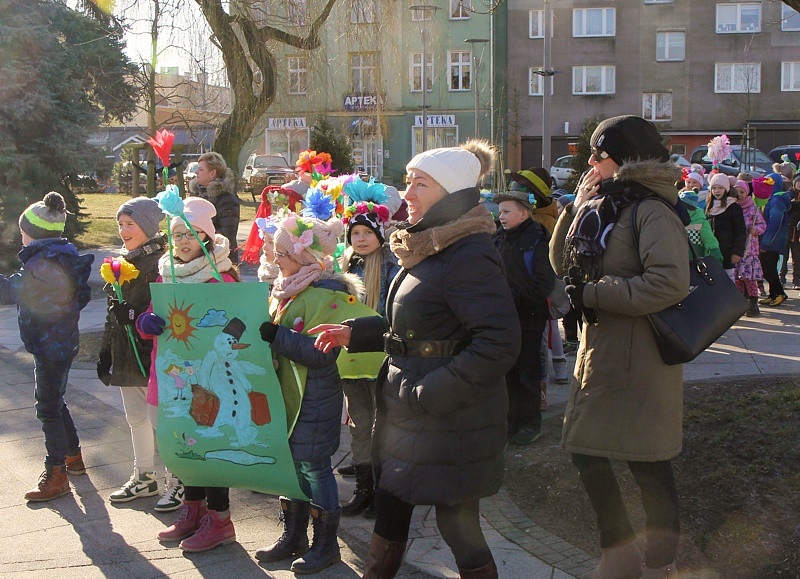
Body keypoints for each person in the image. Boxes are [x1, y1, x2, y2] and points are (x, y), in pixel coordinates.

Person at [310, 139, 521, 578]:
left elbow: (499, 342)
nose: (406, 193)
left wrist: (431, 394)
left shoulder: (468, 252)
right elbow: (413, 325)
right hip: (409, 409)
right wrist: (357, 332)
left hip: (449, 417)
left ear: (451, 193)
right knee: (390, 508)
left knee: (456, 523)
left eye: (418, 183)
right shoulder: (429, 244)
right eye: (407, 181)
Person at [549, 115, 690, 578]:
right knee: (586, 452)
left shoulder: (651, 209)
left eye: (599, 155)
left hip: (642, 358)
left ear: (625, 159)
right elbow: (563, 263)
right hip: (600, 354)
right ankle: (618, 552)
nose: (589, 163)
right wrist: (576, 208)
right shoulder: (603, 204)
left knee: (648, 465)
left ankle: (659, 565)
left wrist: (592, 294)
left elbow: (669, 283)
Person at [255, 215, 361, 574]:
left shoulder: (326, 294)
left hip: (313, 399)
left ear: (303, 258)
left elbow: (322, 352)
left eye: (281, 253)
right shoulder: (290, 288)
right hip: (289, 396)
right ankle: (295, 537)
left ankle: (326, 545)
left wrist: (275, 336)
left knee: (315, 468)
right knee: (293, 467)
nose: (274, 259)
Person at [137, 197, 240, 552]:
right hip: (173, 377)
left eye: (192, 235)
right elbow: (151, 319)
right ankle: (192, 511)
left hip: (210, 379)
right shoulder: (166, 274)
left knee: (210, 447)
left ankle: (219, 518)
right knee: (184, 445)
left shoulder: (220, 276)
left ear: (208, 240)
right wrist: (145, 322)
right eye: (178, 234)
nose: (183, 242)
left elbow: (238, 322)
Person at [0, 192, 93, 501]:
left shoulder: (42, 264)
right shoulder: (59, 257)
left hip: (51, 345)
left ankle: (56, 475)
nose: (21, 236)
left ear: (34, 234)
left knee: (47, 407)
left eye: (23, 231)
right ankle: (72, 457)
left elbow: (14, 290)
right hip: (61, 341)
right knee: (55, 400)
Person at [97, 198, 184, 510]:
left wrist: (132, 316)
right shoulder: (122, 262)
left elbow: (161, 313)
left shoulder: (161, 263)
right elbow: (113, 313)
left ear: (148, 226)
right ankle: (144, 475)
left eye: (129, 224)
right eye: (120, 224)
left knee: (161, 419)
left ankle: (177, 479)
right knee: (135, 418)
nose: (123, 230)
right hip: (125, 352)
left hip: (152, 353)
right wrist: (106, 350)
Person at [338, 196, 400, 515]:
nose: (360, 239)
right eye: (355, 233)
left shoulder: (390, 267)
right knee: (359, 423)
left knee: (382, 425)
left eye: (367, 232)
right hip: (351, 359)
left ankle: (383, 490)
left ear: (379, 235)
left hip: (380, 356)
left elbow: (394, 313)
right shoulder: (345, 264)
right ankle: (363, 488)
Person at [493, 189, 554, 445]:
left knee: (527, 373)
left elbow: (543, 285)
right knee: (507, 373)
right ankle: (510, 423)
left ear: (523, 213)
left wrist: (508, 296)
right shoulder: (498, 239)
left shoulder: (537, 240)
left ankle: (530, 423)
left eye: (506, 211)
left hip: (529, 318)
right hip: (504, 318)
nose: (501, 216)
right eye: (500, 212)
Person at [188, 151, 241, 263]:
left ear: (213, 173)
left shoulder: (227, 199)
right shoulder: (196, 195)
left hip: (221, 259)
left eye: (201, 169)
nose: (196, 172)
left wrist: (198, 236)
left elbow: (227, 234)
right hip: (196, 257)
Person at [732, 181, 767, 317]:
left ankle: (753, 304)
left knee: (749, 278)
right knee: (737, 279)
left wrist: (755, 230)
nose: (739, 195)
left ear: (747, 193)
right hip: (736, 248)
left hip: (749, 249)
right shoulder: (732, 207)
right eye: (737, 192)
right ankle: (740, 303)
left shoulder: (753, 208)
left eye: (742, 192)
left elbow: (763, 225)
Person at [758, 172, 792, 307]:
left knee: (768, 268)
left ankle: (780, 293)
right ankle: (773, 295)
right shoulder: (772, 199)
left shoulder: (776, 201)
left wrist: (765, 243)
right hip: (773, 240)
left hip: (773, 241)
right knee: (769, 267)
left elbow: (774, 224)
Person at [705, 173, 746, 281]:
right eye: (714, 188)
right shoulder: (709, 207)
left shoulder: (733, 207)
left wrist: (737, 252)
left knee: (728, 281)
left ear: (726, 189)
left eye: (720, 188)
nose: (717, 191)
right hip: (712, 252)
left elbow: (740, 231)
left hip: (728, 251)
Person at [678, 190, 723, 263]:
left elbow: (710, 241)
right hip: (678, 261)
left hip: (693, 263)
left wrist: (715, 257)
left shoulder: (700, 222)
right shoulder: (674, 218)